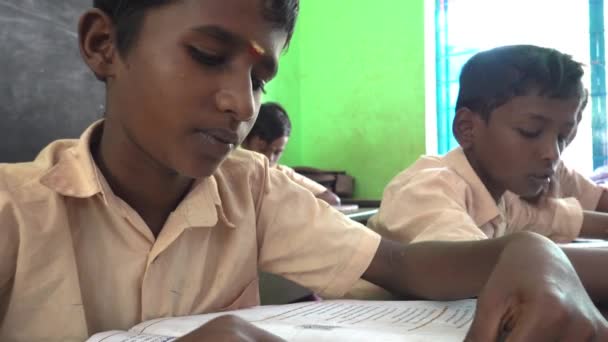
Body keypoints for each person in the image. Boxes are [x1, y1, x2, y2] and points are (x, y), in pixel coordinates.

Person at [0, 4, 606, 342]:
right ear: (103, 45)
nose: (242, 103)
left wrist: (527, 251)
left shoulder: (253, 188)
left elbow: (399, 264)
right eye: (208, 57)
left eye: (260, 79)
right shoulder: (15, 213)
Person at [368, 44, 608, 245]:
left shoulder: (503, 199)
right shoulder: (428, 189)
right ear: (467, 128)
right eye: (530, 131)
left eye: (562, 137)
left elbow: (558, 218)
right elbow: (478, 265)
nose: (552, 154)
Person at [242, 102, 341, 205]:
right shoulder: (231, 172)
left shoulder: (282, 174)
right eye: (262, 149)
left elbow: (332, 200)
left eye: (277, 152)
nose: (269, 158)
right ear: (244, 141)